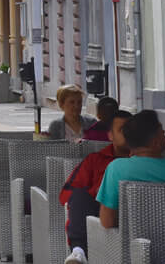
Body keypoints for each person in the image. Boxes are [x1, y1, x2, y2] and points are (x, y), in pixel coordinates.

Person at [95, 110, 165, 229]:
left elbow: (107, 222)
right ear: (155, 142)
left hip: (133, 244)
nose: (164, 133)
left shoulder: (117, 168)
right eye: (161, 131)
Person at [60, 110, 132, 264]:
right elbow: (66, 195)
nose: (128, 134)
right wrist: (100, 192)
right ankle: (79, 252)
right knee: (79, 193)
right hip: (101, 215)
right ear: (110, 135)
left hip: (137, 215)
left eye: (131, 130)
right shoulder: (95, 160)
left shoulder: (145, 160)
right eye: (122, 130)